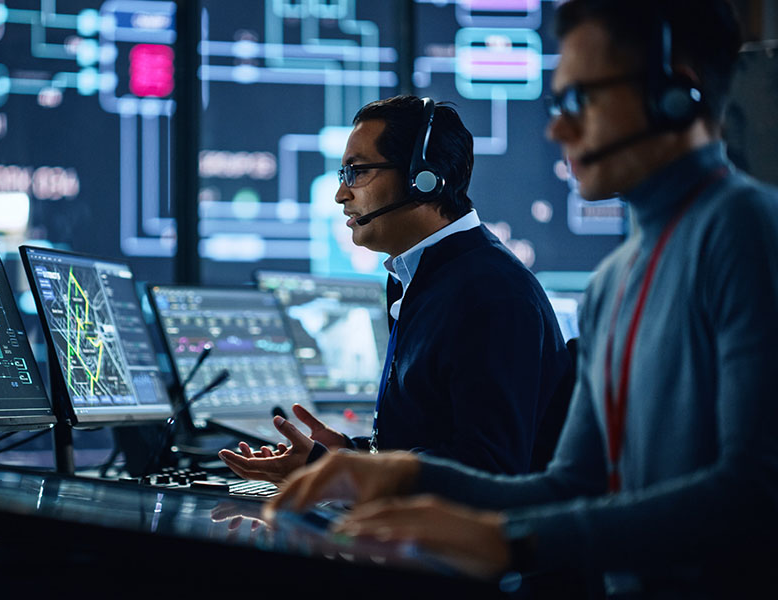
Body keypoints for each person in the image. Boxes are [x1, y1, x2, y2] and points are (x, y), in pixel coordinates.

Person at [262, 1, 778, 596]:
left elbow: (755, 491)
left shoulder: (743, 229)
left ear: (675, 94)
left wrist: (509, 541)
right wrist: (394, 472)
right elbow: (568, 487)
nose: (558, 128)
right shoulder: (614, 279)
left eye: (579, 99)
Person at [219, 95, 572, 480]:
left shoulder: (490, 293)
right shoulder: (421, 277)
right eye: (342, 176)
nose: (341, 194)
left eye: (356, 172)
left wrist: (341, 474)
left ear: (423, 178)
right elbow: (427, 441)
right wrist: (345, 455)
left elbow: (489, 469)